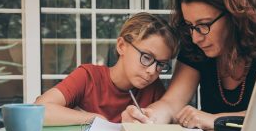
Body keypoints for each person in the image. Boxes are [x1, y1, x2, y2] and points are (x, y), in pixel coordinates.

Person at [121, 0, 256, 129]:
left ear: (235, 14)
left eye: (203, 25)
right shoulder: (195, 40)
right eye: (190, 25)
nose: (195, 38)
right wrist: (147, 117)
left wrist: (215, 119)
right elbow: (171, 103)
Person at [35, 12, 178, 125]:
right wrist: (93, 119)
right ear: (122, 46)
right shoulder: (88, 77)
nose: (152, 71)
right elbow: (39, 109)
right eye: (146, 57)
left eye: (161, 64)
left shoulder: (154, 88)